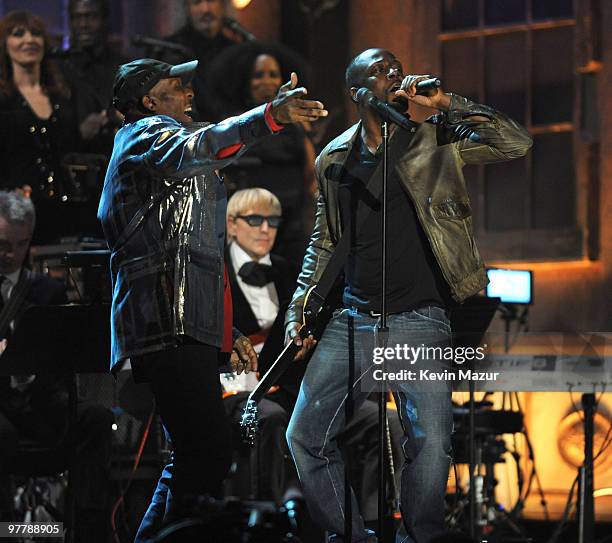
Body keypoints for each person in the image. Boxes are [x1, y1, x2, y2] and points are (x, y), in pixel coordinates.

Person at [284, 48, 533, 542]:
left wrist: (447, 103)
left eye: (396, 68)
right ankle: (350, 536)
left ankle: (420, 537)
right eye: (380, 71)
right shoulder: (335, 157)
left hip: (419, 315)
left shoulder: (436, 141)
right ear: (358, 91)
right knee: (305, 435)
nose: (394, 75)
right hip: (352, 317)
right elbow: (324, 240)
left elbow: (515, 143)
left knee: (433, 441)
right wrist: (299, 308)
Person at [97, 57, 327, 541]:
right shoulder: (146, 136)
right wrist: (271, 116)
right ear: (147, 100)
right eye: (173, 84)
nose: (186, 89)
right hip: (166, 325)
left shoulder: (167, 149)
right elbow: (204, 143)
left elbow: (189, 250)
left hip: (181, 321)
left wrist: (229, 330)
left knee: (194, 456)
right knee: (208, 453)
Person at [224, 188, 403, 527]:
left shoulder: (293, 272)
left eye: (273, 221)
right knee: (271, 418)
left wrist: (309, 342)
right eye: (255, 220)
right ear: (232, 225)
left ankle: (367, 528)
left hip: (294, 388)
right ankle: (271, 526)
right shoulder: (214, 272)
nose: (266, 229)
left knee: (382, 421)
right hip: (235, 392)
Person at [0, 191, 113, 542]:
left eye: (19, 245)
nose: (9, 254)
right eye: (2, 243)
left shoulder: (47, 291)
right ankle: (8, 530)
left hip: (38, 398)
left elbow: (65, 353)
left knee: (95, 417)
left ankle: (85, 529)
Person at [208, 41, 318, 265]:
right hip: (246, 227)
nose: (266, 82)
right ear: (246, 81)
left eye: (273, 74)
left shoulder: (297, 127)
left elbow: (311, 174)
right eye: (259, 75)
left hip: (291, 225)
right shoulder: (234, 126)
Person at [0, 11, 79, 204]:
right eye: (18, 34)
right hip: (15, 210)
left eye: (36, 33)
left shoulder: (61, 97)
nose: (29, 40)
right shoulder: (3, 100)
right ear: (5, 45)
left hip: (64, 204)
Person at [62, 0, 127, 156]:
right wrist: (79, 133)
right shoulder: (59, 69)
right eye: (77, 18)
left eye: (90, 17)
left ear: (105, 20)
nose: (83, 24)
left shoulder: (124, 67)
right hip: (73, 161)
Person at [166, 0, 242, 121]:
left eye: (211, 1)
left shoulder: (238, 51)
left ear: (223, 6)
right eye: (197, 2)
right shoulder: (169, 50)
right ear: (186, 9)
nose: (205, 9)